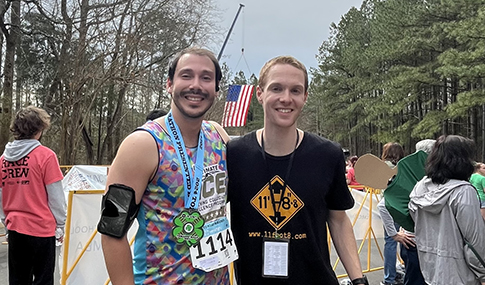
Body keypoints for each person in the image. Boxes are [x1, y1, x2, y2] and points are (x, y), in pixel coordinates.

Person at [227, 56, 368, 285]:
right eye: (276, 88)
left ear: (305, 97)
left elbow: (339, 220)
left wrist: (359, 280)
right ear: (259, 94)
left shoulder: (327, 154)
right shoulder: (234, 154)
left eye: (295, 90)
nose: (286, 98)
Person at [99, 47, 234, 285]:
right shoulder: (142, 145)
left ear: (216, 89)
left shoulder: (219, 137)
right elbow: (112, 230)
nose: (196, 85)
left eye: (206, 78)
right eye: (186, 75)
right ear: (169, 84)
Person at [0, 106, 66, 285]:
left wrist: (6, 221)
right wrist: (60, 224)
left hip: (15, 229)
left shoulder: (3, 160)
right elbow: (56, 197)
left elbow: (1, 196)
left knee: (18, 280)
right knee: (43, 280)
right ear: (38, 129)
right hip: (41, 229)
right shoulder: (46, 156)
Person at [409, 135, 485, 285]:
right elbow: (474, 242)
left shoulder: (420, 187)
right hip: (461, 274)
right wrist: (483, 274)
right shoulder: (463, 192)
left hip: (430, 270)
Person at [380, 139, 435, 285]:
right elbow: (383, 205)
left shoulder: (417, 172)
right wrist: (394, 233)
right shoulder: (413, 174)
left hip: (420, 240)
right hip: (414, 241)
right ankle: (389, 278)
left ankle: (390, 277)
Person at [378, 142, 405, 285]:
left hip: (387, 206)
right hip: (402, 206)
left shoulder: (382, 167)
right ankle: (404, 269)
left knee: (390, 241)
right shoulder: (403, 168)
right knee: (405, 238)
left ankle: (389, 278)